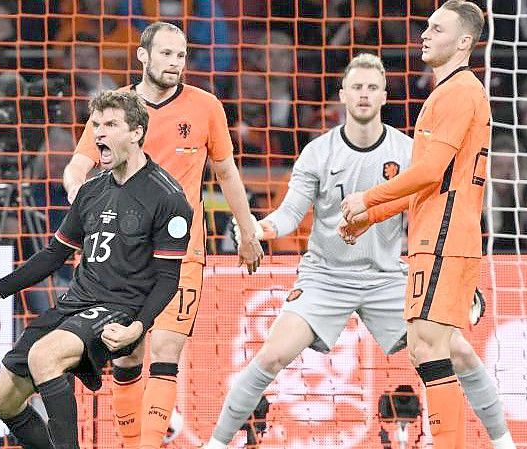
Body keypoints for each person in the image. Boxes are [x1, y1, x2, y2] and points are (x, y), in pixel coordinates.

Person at [205, 53, 514, 449]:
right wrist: (260, 228)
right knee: (269, 358)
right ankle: (213, 444)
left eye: (372, 88)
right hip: (326, 277)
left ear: (385, 95)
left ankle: (504, 443)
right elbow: (289, 213)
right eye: (357, 87)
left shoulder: (410, 153)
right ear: (342, 95)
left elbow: (435, 214)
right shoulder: (318, 152)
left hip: (387, 277)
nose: (364, 95)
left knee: (461, 354)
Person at [0, 90, 193, 449]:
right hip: (75, 303)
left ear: (137, 133)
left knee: (44, 357)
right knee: (0, 397)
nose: (99, 134)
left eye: (111, 125)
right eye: (95, 125)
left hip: (120, 308)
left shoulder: (168, 198)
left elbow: (168, 280)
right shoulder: (91, 191)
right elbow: (52, 256)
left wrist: (137, 329)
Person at [63, 21, 264, 449]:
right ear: (143, 56)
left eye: (181, 55)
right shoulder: (117, 108)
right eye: (167, 54)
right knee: (127, 354)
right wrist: (80, 199)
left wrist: (248, 232)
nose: (175, 63)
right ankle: (131, 441)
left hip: (181, 253)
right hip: (120, 255)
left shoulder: (206, 107)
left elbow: (226, 171)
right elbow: (79, 164)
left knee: (167, 349)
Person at [341, 3, 515, 448]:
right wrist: (371, 216)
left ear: (463, 42)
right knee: (446, 347)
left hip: (444, 236)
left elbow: (428, 171)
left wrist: (366, 198)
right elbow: (427, 178)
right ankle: (500, 441)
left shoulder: (458, 93)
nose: (424, 34)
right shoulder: (448, 93)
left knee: (426, 347)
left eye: (437, 28)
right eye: (426, 25)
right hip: (436, 233)